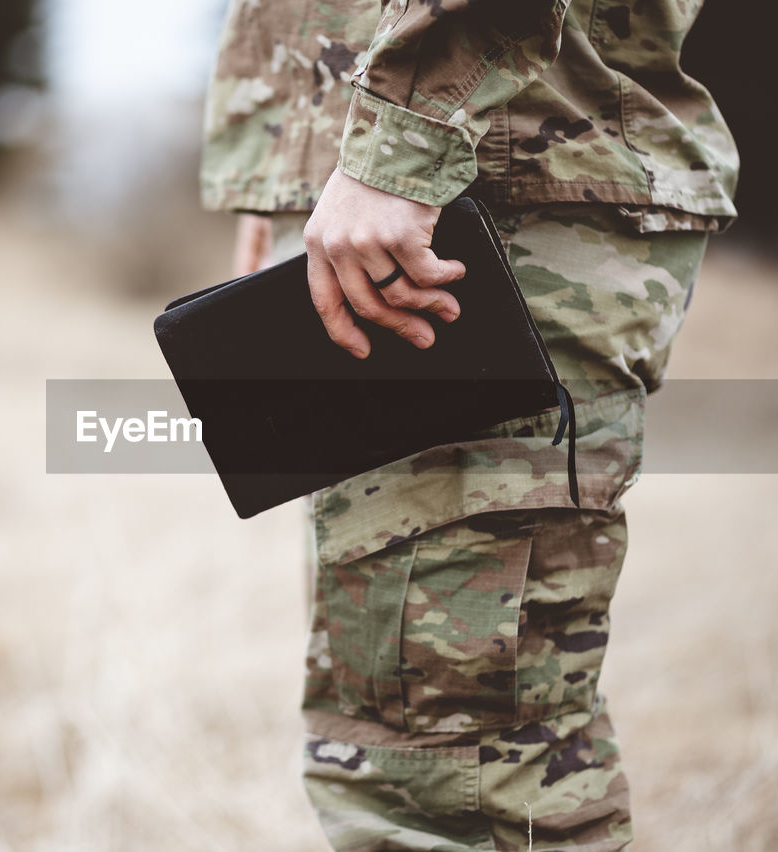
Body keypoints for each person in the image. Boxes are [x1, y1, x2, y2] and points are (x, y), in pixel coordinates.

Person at [201, 1, 737, 849]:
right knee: (391, 744)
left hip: (485, 186)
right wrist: (293, 158)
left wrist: (395, 147)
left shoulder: (416, 149)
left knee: (461, 774)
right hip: (418, 182)